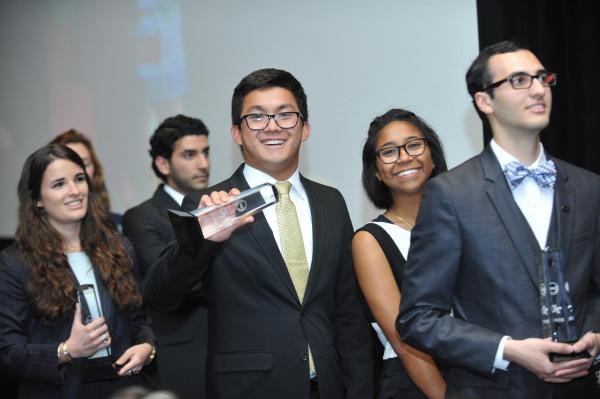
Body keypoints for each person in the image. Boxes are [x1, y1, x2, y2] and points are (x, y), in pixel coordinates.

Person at [143, 68, 374, 399]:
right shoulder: (211, 204)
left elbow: (347, 312)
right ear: (236, 133)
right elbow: (159, 294)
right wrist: (205, 237)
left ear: (305, 127)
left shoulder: (330, 201)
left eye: (285, 115)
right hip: (249, 388)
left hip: (329, 386)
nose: (272, 126)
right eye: (256, 117)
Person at [397, 40, 600, 398]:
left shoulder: (588, 187)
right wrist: (508, 349)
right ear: (484, 101)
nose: (539, 89)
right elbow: (418, 319)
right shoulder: (451, 194)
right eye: (520, 80)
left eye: (542, 78)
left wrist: (596, 334)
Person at [0, 144, 156, 398]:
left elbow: (139, 319)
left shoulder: (119, 248)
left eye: (79, 179)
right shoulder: (14, 263)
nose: (74, 191)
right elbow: (7, 352)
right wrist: (67, 350)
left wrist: (147, 348)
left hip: (123, 387)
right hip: (59, 390)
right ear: (37, 199)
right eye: (59, 184)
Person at [353, 109, 447, 399]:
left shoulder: (462, 223)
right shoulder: (370, 240)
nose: (405, 157)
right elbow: (404, 339)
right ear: (377, 172)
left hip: (478, 373)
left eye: (414, 145)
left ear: (432, 156)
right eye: (389, 152)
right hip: (413, 383)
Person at [123, 114, 210, 399]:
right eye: (190, 154)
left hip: (230, 348)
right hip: (182, 353)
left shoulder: (218, 202)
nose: (204, 164)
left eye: (206, 152)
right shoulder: (142, 217)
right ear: (163, 164)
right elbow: (164, 282)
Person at [50, 129, 123, 230]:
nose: (80, 172)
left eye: (85, 164)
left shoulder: (119, 226)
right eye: (70, 164)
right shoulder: (32, 239)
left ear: (95, 168)